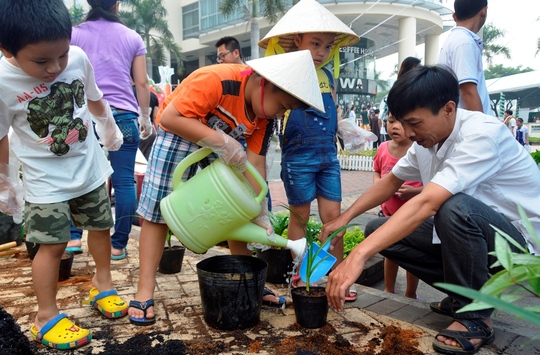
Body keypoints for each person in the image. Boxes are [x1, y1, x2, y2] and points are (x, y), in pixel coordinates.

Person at [322, 65, 540, 354]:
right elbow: (390, 182)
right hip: (481, 241)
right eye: (404, 123)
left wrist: (358, 255)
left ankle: (475, 317)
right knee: (377, 228)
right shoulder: (425, 142)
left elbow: (428, 202)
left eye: (415, 123)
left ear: (448, 109)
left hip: (519, 248)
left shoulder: (481, 135)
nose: (409, 133)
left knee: (454, 206)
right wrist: (344, 219)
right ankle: (464, 294)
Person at [128, 50, 325, 325]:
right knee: (157, 208)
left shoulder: (264, 119)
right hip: (181, 129)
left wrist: (257, 209)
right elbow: (169, 119)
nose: (280, 114)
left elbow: (254, 167)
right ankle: (144, 290)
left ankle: (247, 280)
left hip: (224, 146)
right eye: (280, 106)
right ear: (262, 82)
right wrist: (220, 141)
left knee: (239, 206)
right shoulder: (217, 80)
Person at [0, 0, 127, 349]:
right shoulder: (2, 82)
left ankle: (103, 286)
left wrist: (109, 128)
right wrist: (6, 182)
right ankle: (46, 315)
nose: (55, 67)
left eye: (61, 55)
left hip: (88, 167)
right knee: (52, 244)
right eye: (41, 61)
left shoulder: (77, 58)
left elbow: (94, 98)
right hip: (45, 180)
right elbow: (0, 138)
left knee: (101, 227)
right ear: (6, 48)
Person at [258, 0, 360, 298]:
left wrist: (345, 128)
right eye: (315, 43)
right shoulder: (283, 73)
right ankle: (302, 276)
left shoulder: (328, 76)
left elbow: (333, 112)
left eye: (327, 47)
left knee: (335, 219)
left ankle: (338, 278)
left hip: (328, 157)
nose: (321, 52)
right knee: (300, 217)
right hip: (297, 158)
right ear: (297, 39)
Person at [71, 0, 153, 260]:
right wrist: (145, 117)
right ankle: (118, 245)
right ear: (117, 4)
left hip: (87, 116)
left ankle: (73, 238)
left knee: (77, 176)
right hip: (125, 116)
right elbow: (141, 81)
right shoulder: (132, 36)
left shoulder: (74, 33)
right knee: (125, 181)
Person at [372, 113, 422, 298]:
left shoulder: (419, 150)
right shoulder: (383, 148)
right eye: (391, 121)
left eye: (401, 122)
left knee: (413, 255)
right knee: (390, 253)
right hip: (388, 212)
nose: (395, 126)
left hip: (413, 214)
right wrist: (380, 185)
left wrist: (413, 191)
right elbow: (377, 171)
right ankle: (389, 289)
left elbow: (432, 185)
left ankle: (411, 293)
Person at [438, 0, 491, 114]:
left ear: (454, 16)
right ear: (484, 11)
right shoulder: (464, 42)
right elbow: (468, 92)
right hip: (471, 126)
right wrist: (482, 127)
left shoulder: (454, 40)